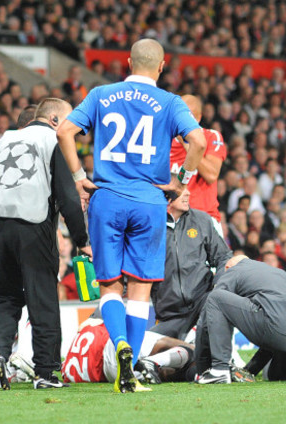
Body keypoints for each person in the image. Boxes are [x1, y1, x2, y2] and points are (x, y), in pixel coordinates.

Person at [57, 39, 206, 393]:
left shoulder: (100, 94)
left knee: (109, 286)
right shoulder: (170, 102)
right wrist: (180, 180)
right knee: (140, 291)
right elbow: (197, 142)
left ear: (128, 62)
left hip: (106, 197)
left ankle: (120, 342)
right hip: (149, 201)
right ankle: (131, 369)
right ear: (161, 66)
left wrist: (79, 178)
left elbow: (64, 130)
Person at [0, 98, 90, 390]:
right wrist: (82, 239)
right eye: (69, 124)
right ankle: (46, 373)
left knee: (5, 296)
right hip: (31, 222)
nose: (71, 132)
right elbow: (68, 198)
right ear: (54, 120)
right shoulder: (54, 139)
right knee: (43, 297)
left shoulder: (3, 140)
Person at [194, 255, 286, 384]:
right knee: (272, 375)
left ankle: (219, 370)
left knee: (215, 298)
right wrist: (250, 370)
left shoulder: (234, 270)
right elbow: (275, 320)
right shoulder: (277, 273)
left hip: (279, 329)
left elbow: (208, 313)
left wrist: (202, 368)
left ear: (228, 268)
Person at [150, 186, 232, 341]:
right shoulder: (149, 225)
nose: (188, 193)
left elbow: (223, 257)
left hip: (202, 306)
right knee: (147, 353)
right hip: (169, 315)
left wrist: (219, 286)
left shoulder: (201, 220)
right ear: (166, 196)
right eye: (181, 190)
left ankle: (222, 354)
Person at [60, 317, 195, 384]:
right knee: (185, 349)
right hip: (112, 347)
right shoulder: (90, 326)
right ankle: (154, 361)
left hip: (112, 374)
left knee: (161, 374)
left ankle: (155, 364)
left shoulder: (66, 369)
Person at [169, 95, 227, 235]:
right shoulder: (163, 140)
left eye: (188, 117)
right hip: (169, 218)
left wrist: (188, 144)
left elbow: (211, 174)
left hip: (204, 219)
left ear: (199, 118)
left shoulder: (211, 136)